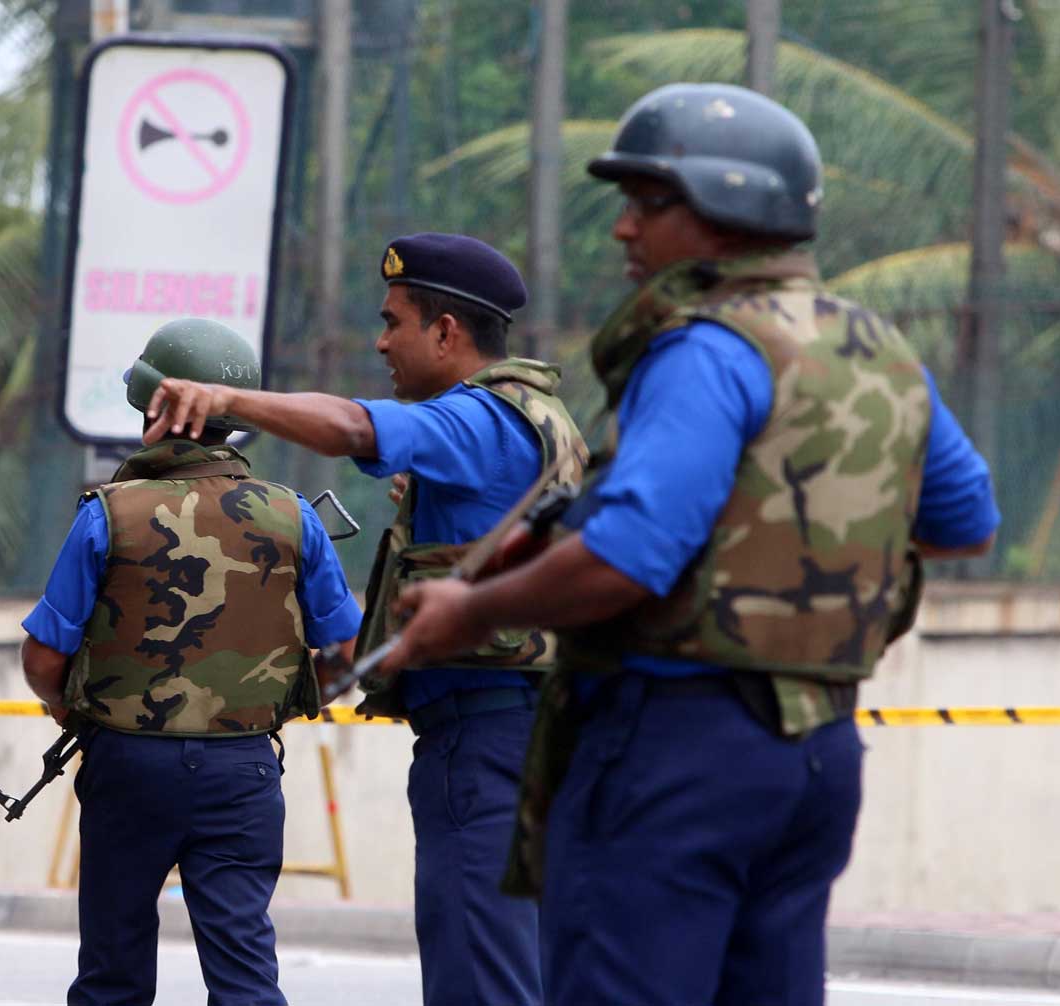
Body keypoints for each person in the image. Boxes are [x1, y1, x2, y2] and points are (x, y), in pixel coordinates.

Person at [381, 83, 1001, 1005]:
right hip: (817, 752)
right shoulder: (876, 346)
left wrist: (470, 609)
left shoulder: (705, 349)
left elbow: (626, 555)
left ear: (728, 209)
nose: (626, 231)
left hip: (677, 752)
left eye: (648, 204)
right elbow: (964, 522)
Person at [143, 234, 587, 1006]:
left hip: (486, 741)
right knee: (536, 972)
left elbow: (354, 429)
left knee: (479, 976)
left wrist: (226, 401)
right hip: (546, 733)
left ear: (446, 331)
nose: (380, 342)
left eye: (393, 322)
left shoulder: (476, 418)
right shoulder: (544, 417)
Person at [20, 317, 362, 1006]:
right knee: (243, 975)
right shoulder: (292, 515)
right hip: (243, 767)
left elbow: (42, 655)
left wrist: (76, 712)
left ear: (153, 409)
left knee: (112, 972)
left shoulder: (109, 514)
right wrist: (281, 703)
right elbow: (348, 651)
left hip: (126, 763)